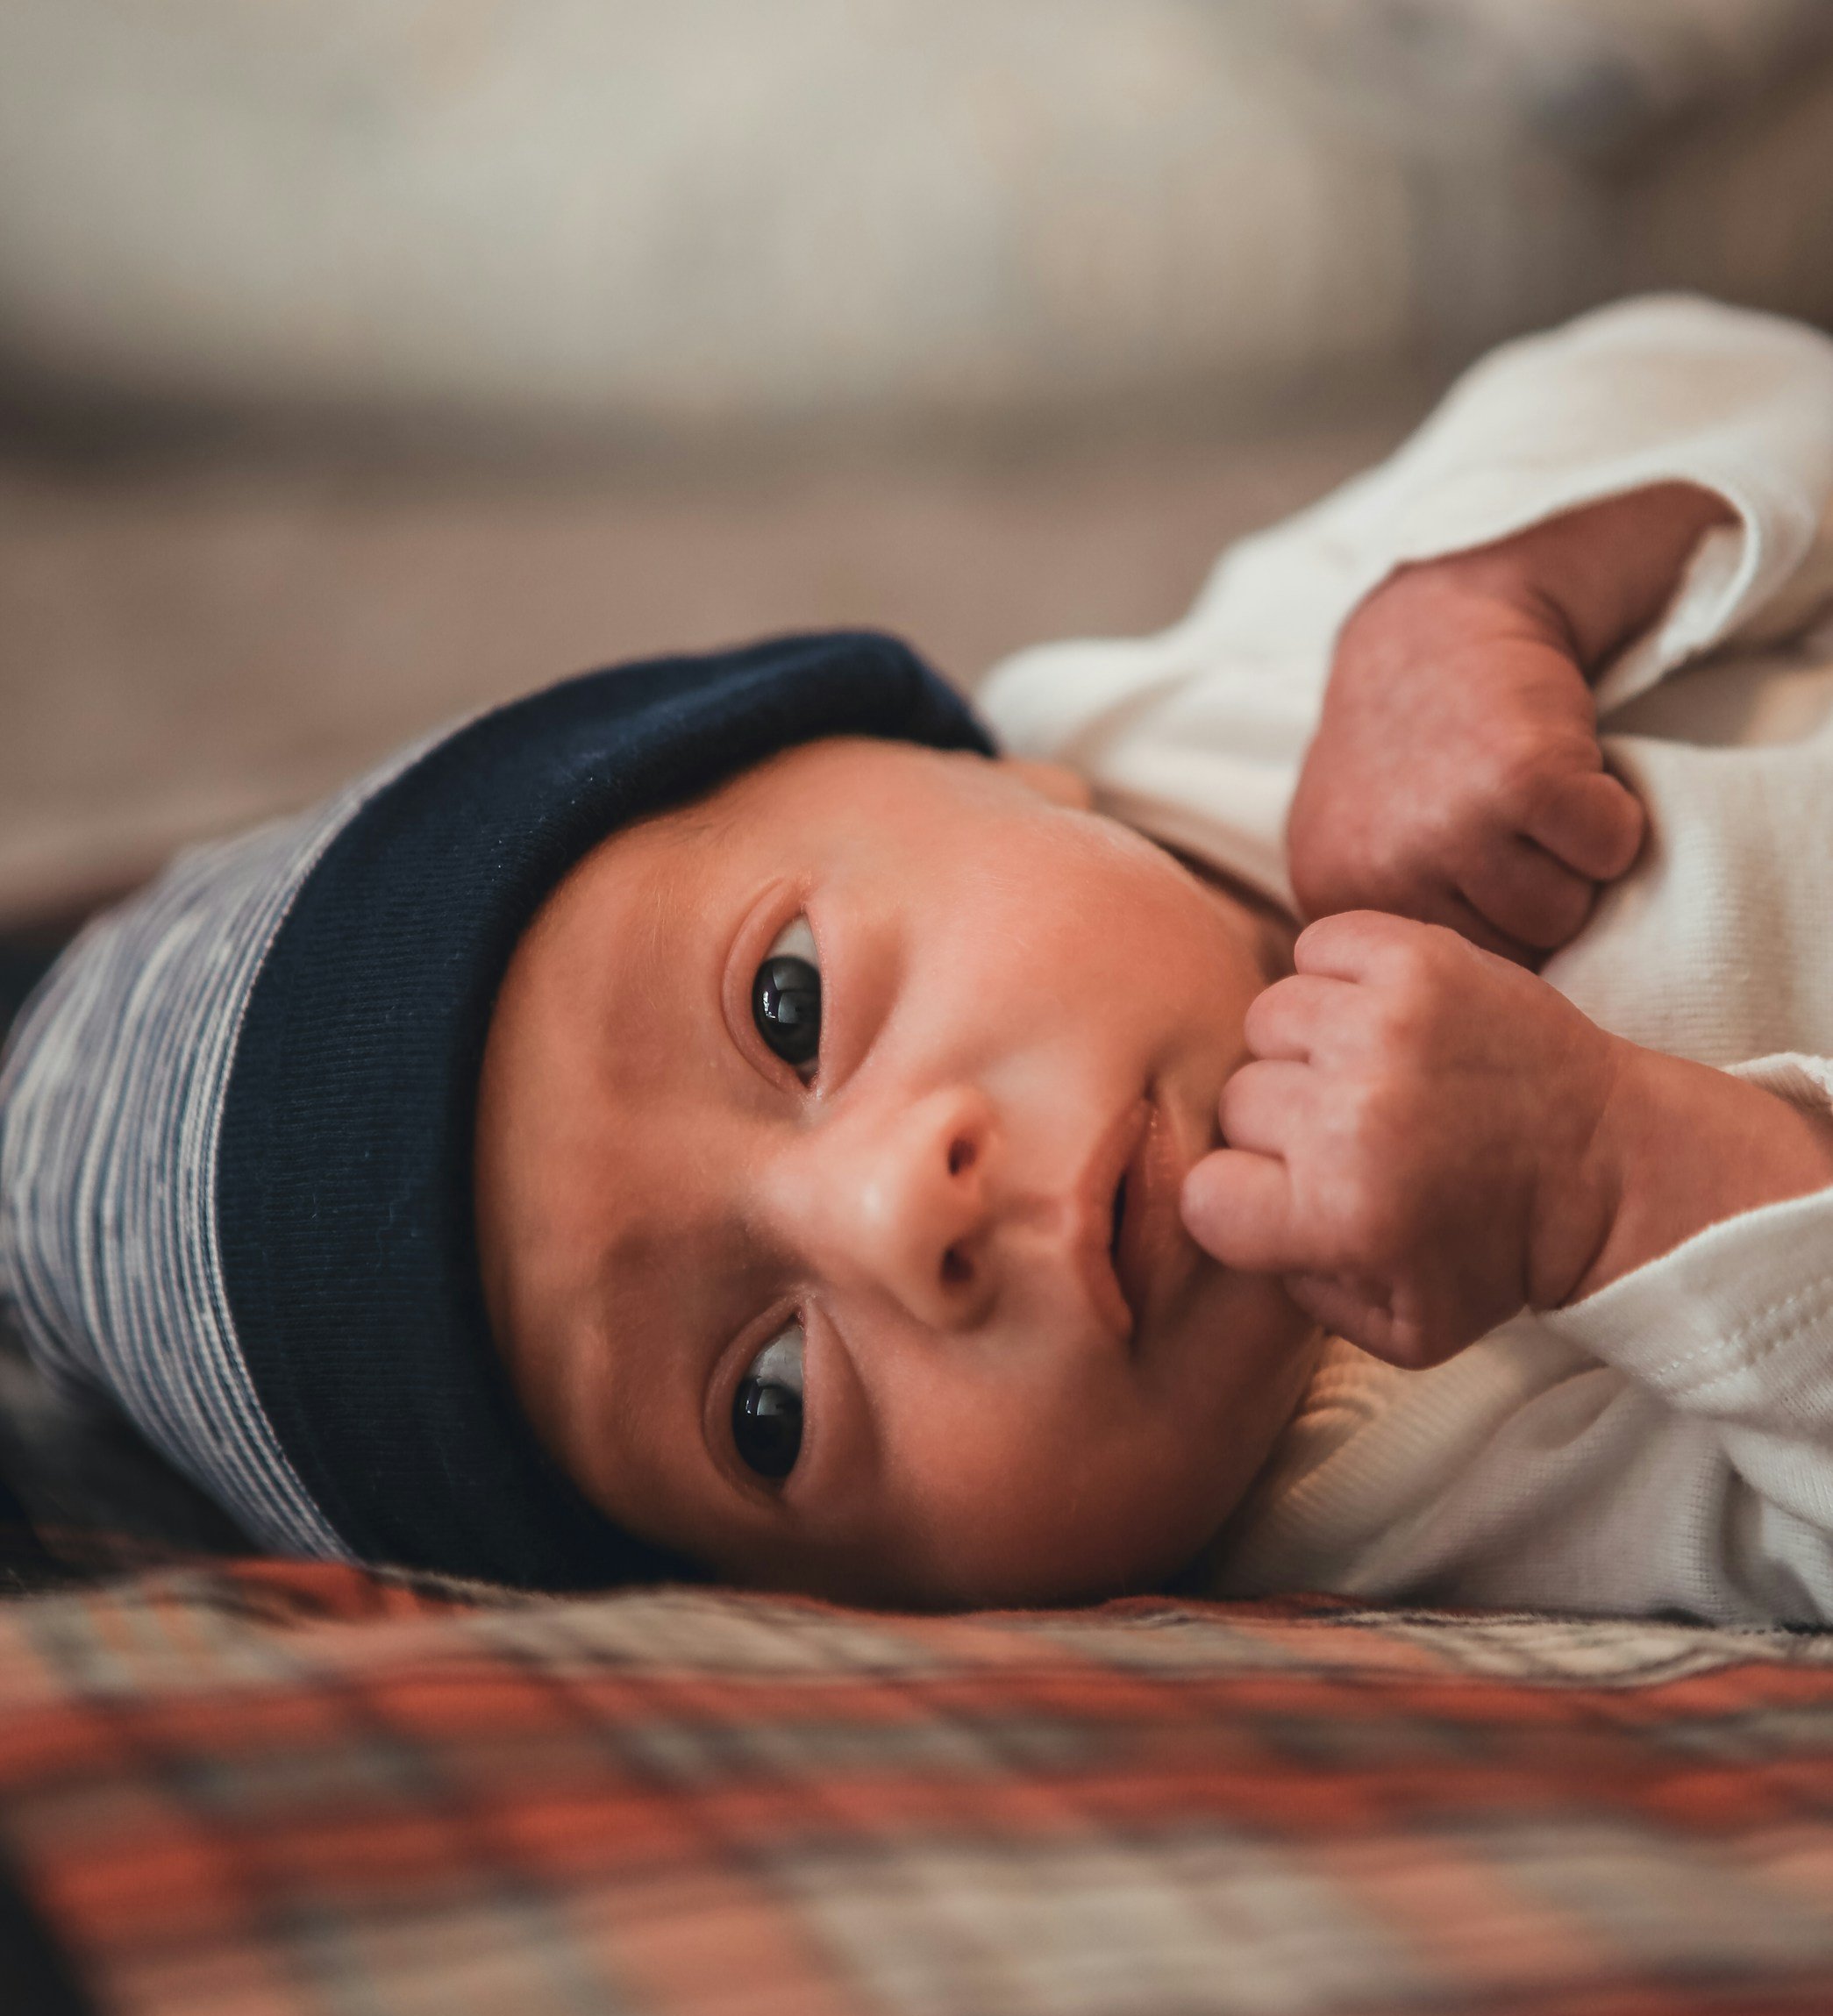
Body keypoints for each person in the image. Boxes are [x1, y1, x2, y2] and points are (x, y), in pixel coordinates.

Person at [4, 295, 1832, 1622]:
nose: (894, 1212)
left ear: (968, 763)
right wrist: (1612, 1177)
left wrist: (1488, 588)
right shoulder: (1410, 1508)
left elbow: (1743, 379)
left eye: (784, 1005)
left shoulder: (1242, 694)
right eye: (765, 1404)